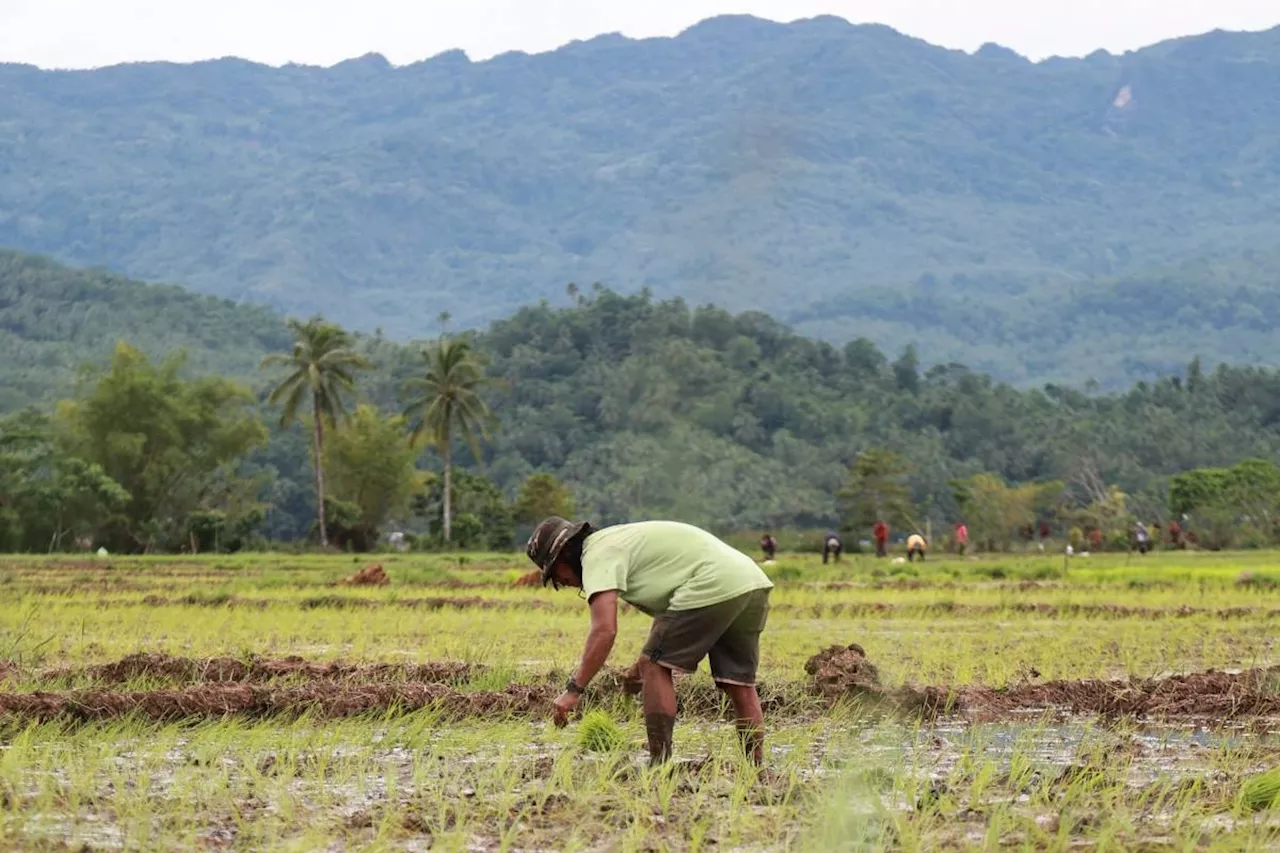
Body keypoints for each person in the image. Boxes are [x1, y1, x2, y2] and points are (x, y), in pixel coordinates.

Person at [526, 517, 774, 767]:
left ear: (566, 552)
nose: (561, 583)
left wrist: (573, 690)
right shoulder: (619, 542)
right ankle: (755, 769)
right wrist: (637, 669)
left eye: (555, 572)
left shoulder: (596, 555)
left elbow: (604, 630)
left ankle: (659, 765)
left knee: (655, 667)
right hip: (749, 580)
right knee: (739, 684)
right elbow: (670, 615)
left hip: (712, 582)